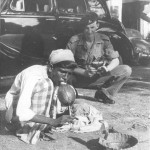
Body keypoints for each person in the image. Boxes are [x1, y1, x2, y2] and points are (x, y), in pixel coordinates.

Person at [5, 49, 77, 144]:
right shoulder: (34, 76)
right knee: (47, 84)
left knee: (63, 87)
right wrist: (53, 121)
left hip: (32, 110)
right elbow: (22, 112)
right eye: (63, 72)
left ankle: (43, 125)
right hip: (15, 114)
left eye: (69, 73)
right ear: (51, 68)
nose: (66, 77)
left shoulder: (55, 74)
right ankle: (28, 131)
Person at [66, 12, 132, 104]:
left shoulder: (104, 39)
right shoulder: (74, 40)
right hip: (79, 79)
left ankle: (104, 94)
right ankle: (70, 92)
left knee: (126, 70)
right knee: (62, 74)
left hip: (97, 78)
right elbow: (66, 64)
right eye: (86, 28)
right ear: (82, 28)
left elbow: (115, 59)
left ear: (97, 25)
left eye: (92, 27)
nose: (89, 31)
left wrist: (107, 68)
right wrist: (84, 72)